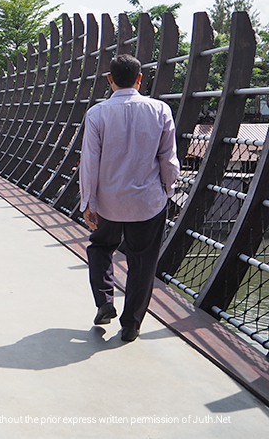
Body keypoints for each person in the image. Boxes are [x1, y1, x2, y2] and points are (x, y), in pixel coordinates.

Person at [79, 54, 180, 343]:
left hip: (108, 201)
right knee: (143, 262)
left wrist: (89, 202)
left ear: (109, 80)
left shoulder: (97, 114)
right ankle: (131, 324)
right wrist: (167, 189)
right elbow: (168, 160)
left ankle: (104, 301)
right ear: (139, 79)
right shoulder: (160, 110)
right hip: (148, 202)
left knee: (100, 247)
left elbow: (89, 162)